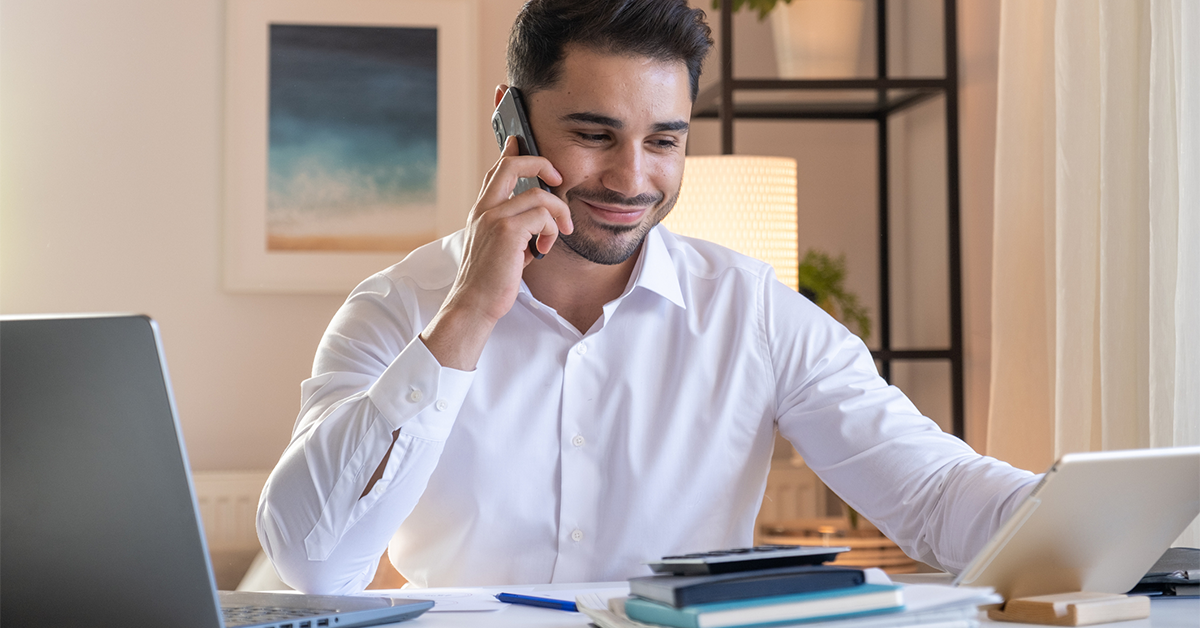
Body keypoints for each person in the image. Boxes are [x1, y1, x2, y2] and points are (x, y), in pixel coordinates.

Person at [257, 0, 1038, 595]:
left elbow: (935, 496)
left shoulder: (752, 312)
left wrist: (1110, 523)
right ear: (513, 122)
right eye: (595, 135)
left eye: (664, 141)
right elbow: (316, 564)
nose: (633, 180)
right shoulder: (397, 307)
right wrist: (465, 318)